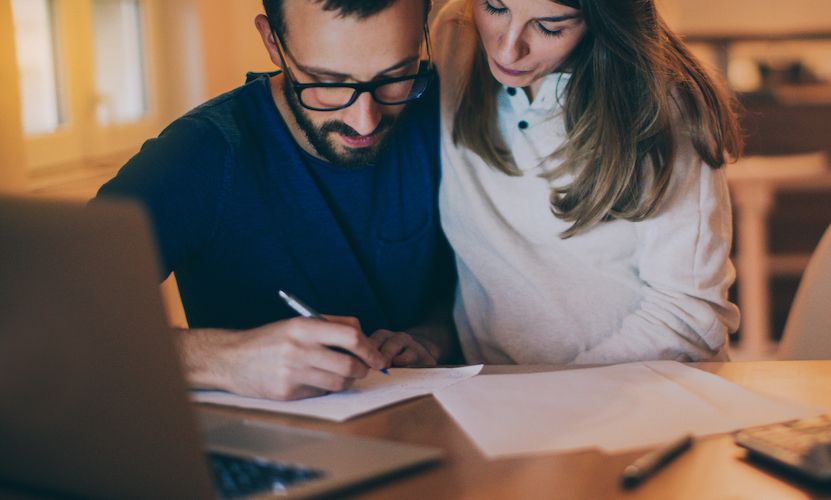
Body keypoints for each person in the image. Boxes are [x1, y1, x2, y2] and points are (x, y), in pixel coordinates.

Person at [95, 0, 455, 401]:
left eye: (395, 75)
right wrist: (222, 359)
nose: (364, 120)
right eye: (328, 82)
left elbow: (467, 287)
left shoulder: (442, 111)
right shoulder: (201, 154)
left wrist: (432, 336)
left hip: (438, 432)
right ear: (272, 41)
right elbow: (38, 314)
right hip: (263, 449)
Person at [433, 0, 743, 364]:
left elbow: (688, 321)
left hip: (639, 395)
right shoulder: (455, 34)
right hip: (493, 395)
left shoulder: (665, 105)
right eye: (495, 7)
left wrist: (558, 400)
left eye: (550, 27)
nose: (508, 48)